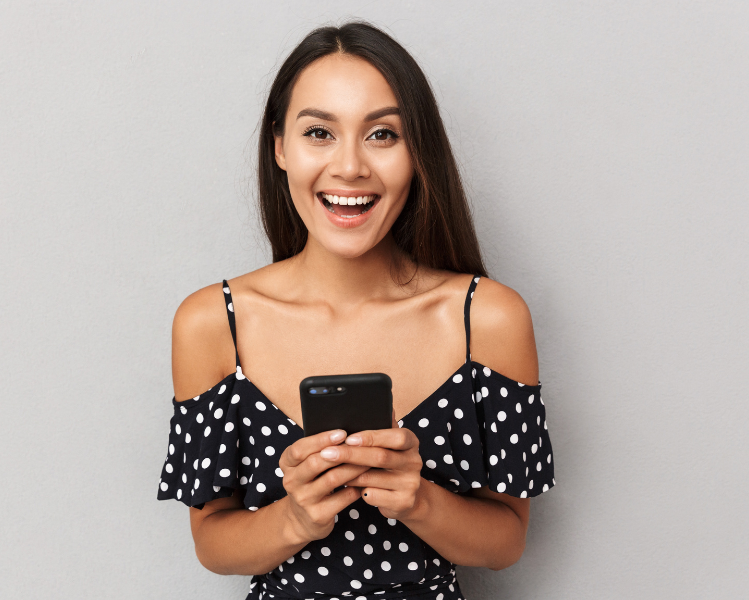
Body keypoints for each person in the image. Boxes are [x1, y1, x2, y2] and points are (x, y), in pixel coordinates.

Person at [157, 20, 555, 600]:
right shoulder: (213, 323)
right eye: (319, 132)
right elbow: (212, 543)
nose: (349, 167)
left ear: (417, 153)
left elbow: (506, 542)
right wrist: (295, 517)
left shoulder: (487, 318)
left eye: (382, 135)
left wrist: (419, 500)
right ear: (280, 148)